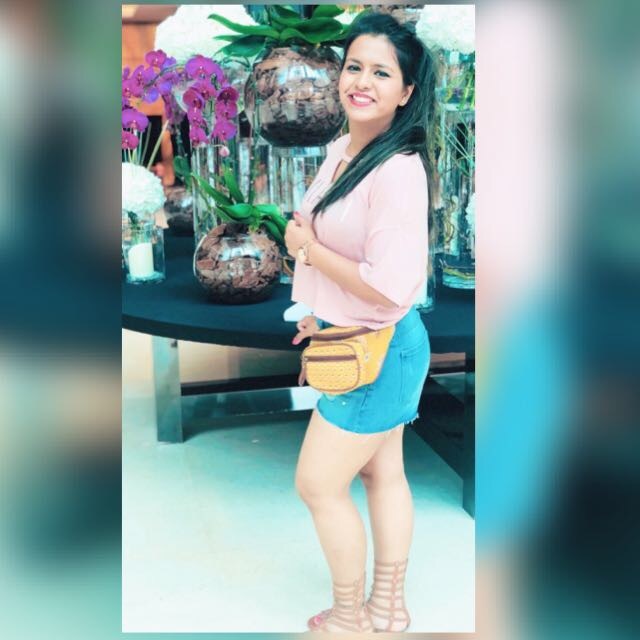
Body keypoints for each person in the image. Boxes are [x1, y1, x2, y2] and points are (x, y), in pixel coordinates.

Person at [284, 12, 437, 634]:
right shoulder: (345, 150)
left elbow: (386, 284)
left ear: (406, 92)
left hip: (379, 350)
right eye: (354, 67)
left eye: (381, 72)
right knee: (383, 471)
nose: (361, 82)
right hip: (364, 341)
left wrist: (307, 249)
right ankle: (387, 608)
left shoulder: (396, 169)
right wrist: (319, 310)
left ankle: (350, 616)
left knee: (318, 485)